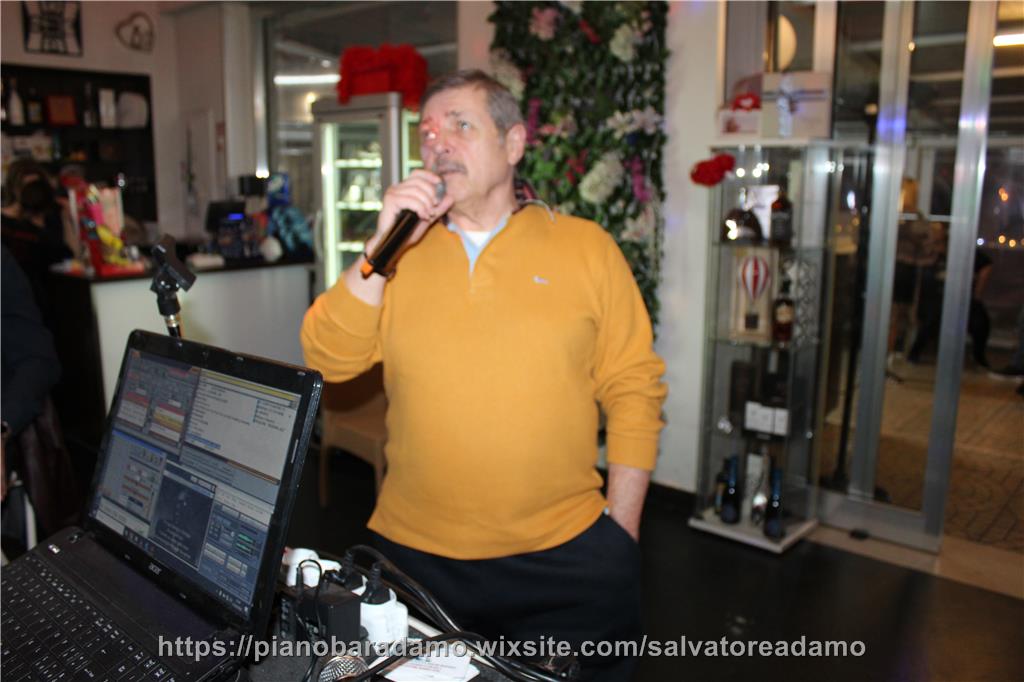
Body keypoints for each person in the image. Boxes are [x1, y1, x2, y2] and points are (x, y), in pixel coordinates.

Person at [302, 70, 667, 680]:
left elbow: (634, 386)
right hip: (414, 556)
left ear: (513, 143)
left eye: (461, 126)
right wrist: (380, 248)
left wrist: (622, 534)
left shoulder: (585, 247)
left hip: (565, 554)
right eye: (428, 134)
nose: (438, 144)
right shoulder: (394, 261)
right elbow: (327, 359)